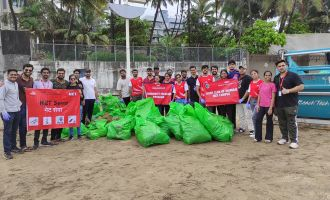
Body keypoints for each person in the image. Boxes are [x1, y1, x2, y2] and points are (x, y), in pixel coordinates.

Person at [274, 60, 304, 149]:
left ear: (286, 66)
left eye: (283, 65)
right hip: (279, 104)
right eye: (279, 66)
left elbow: (301, 86)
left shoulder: (293, 75)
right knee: (282, 122)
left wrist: (289, 90)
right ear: (277, 68)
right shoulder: (276, 77)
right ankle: (284, 138)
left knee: (291, 122)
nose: (281, 67)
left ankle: (294, 141)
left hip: (291, 104)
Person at [0, 69, 22, 159]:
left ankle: (13, 147)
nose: (13, 76)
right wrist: (3, 111)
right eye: (11, 74)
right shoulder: (4, 85)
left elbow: (15, 96)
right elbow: (0, 99)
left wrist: (19, 104)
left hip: (16, 111)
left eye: (15, 75)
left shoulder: (15, 84)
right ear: (7, 75)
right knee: (7, 131)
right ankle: (7, 151)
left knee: (14, 130)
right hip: (7, 112)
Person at [33, 67, 53, 149]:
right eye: (44, 72)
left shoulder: (51, 84)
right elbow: (33, 94)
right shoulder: (36, 83)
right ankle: (36, 142)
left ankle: (44, 140)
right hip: (38, 106)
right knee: (38, 124)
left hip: (47, 106)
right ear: (41, 74)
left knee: (46, 123)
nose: (45, 74)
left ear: (49, 74)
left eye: (47, 73)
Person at [16, 64, 34, 152]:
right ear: (23, 69)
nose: (28, 71)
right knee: (19, 126)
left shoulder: (31, 79)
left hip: (28, 105)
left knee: (25, 125)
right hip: (18, 105)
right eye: (26, 70)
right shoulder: (17, 78)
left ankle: (23, 145)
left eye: (30, 70)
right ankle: (17, 146)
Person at [255, 71, 276, 143]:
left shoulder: (272, 85)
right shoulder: (261, 84)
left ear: (271, 76)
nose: (267, 76)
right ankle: (258, 137)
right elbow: (259, 95)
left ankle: (269, 138)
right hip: (261, 105)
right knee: (258, 120)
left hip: (269, 106)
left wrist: (271, 108)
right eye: (266, 75)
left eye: (269, 75)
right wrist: (258, 104)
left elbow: (273, 97)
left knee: (269, 121)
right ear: (264, 76)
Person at [51, 68, 69, 143]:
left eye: (62, 73)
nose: (61, 74)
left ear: (64, 74)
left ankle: (58, 137)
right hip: (53, 105)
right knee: (54, 121)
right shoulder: (52, 82)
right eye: (59, 73)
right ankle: (53, 138)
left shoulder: (66, 83)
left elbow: (70, 92)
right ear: (57, 74)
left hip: (63, 105)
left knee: (61, 120)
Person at [246, 70, 263, 138]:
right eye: (252, 74)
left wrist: (258, 98)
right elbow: (250, 93)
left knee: (254, 117)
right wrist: (248, 101)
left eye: (255, 73)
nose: (253, 75)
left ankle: (257, 133)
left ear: (258, 74)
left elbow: (262, 93)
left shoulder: (261, 82)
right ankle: (256, 132)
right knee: (254, 117)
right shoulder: (251, 82)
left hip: (258, 101)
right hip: (252, 100)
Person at [67, 74, 84, 140]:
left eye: (74, 79)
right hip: (70, 106)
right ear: (69, 80)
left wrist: (80, 94)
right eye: (71, 79)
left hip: (78, 106)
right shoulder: (67, 87)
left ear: (76, 80)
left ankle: (79, 134)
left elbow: (82, 97)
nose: (73, 80)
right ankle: (71, 135)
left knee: (78, 120)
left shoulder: (78, 87)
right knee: (70, 120)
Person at [236, 65, 253, 134]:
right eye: (240, 69)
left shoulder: (248, 78)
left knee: (248, 115)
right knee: (241, 115)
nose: (241, 70)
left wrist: (243, 98)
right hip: (237, 100)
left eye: (243, 69)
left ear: (246, 70)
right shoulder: (238, 78)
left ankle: (251, 129)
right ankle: (242, 127)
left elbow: (249, 90)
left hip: (246, 101)